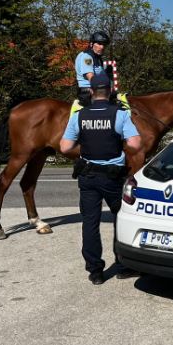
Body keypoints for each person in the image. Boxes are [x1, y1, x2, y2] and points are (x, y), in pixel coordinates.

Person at [60, 71, 141, 285]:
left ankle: (95, 271)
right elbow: (135, 144)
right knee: (120, 219)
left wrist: (86, 148)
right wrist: (118, 143)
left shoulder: (80, 116)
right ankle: (123, 266)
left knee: (90, 222)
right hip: (113, 178)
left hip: (87, 176)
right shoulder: (120, 114)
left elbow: (64, 146)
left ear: (91, 91)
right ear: (110, 91)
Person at [74, 31, 111, 107]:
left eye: (104, 44)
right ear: (91, 44)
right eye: (99, 44)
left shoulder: (97, 58)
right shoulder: (86, 57)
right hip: (88, 93)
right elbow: (91, 78)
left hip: (98, 91)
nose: (102, 47)